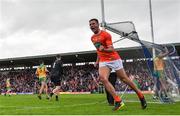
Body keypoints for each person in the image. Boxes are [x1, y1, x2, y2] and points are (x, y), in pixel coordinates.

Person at [89, 18, 147, 111]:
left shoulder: (106, 35)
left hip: (113, 58)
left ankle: (140, 95)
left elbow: (111, 49)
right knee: (103, 79)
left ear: (98, 24)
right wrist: (97, 60)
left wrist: (103, 49)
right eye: (90, 24)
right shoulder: (92, 38)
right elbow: (98, 50)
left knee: (124, 79)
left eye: (93, 24)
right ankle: (118, 101)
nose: (92, 26)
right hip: (103, 60)